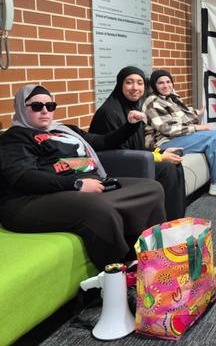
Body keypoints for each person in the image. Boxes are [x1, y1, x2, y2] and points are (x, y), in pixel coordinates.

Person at [0, 85, 166, 270]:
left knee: (151, 188)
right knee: (99, 209)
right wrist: (76, 184)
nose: (45, 111)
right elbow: (24, 177)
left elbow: (103, 141)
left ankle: (151, 258)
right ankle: (119, 270)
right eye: (37, 106)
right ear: (22, 108)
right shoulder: (15, 137)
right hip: (31, 200)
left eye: (50, 106)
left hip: (83, 185)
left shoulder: (65, 130)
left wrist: (130, 125)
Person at [90, 66, 186, 220]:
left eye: (140, 83)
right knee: (166, 169)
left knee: (174, 162)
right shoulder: (109, 113)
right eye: (129, 82)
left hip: (133, 160)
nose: (135, 88)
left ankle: (174, 221)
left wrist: (160, 153)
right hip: (114, 167)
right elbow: (116, 153)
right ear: (120, 84)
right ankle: (163, 224)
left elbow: (137, 147)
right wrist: (159, 159)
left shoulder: (134, 109)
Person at [142, 69, 216, 197]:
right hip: (163, 145)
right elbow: (167, 129)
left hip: (178, 137)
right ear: (154, 85)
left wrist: (198, 112)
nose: (166, 85)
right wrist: (197, 128)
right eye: (160, 83)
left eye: (168, 82)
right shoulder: (152, 102)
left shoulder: (171, 98)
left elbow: (183, 115)